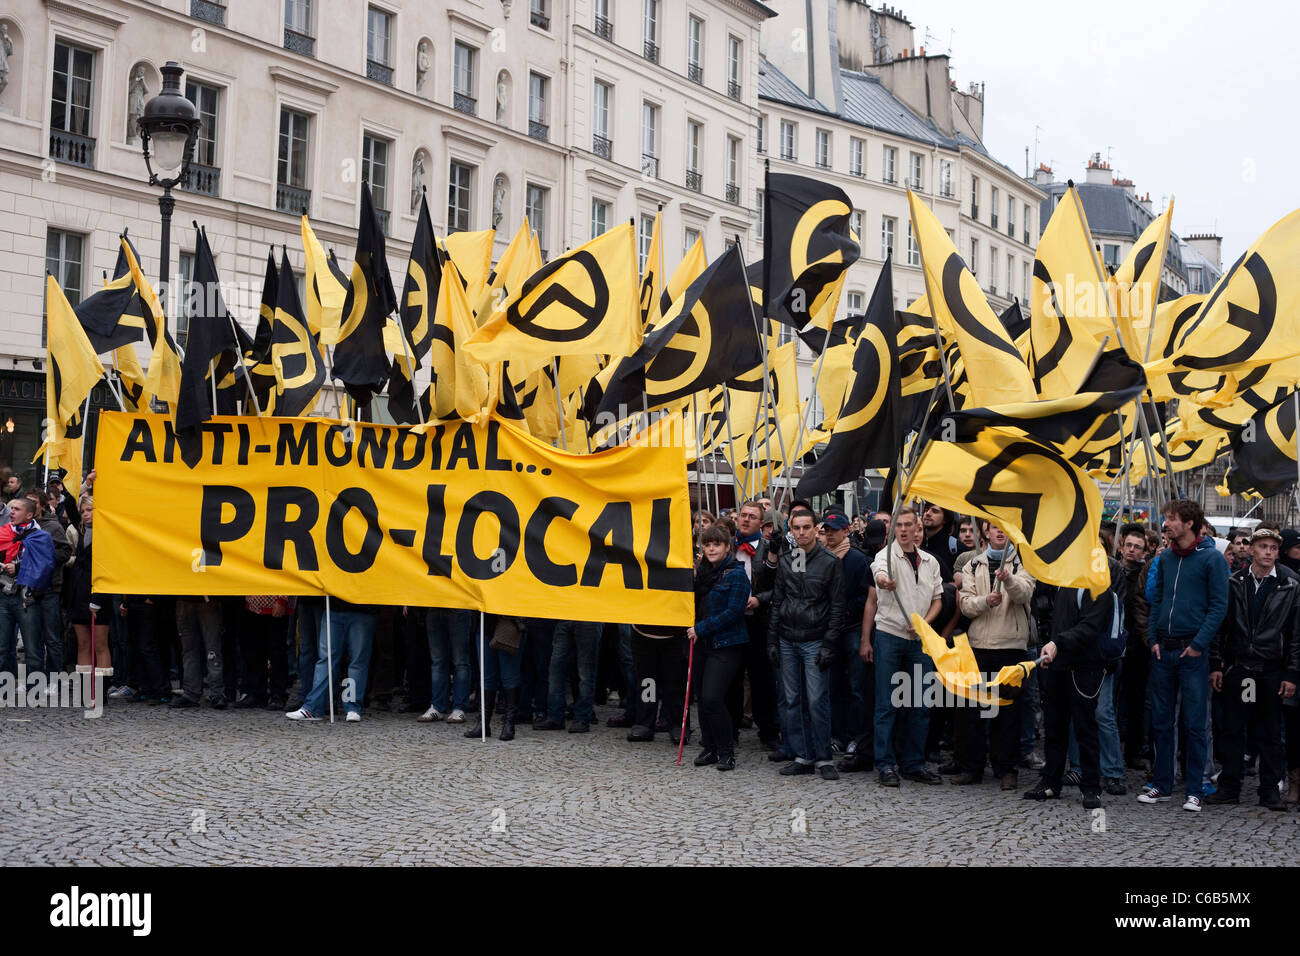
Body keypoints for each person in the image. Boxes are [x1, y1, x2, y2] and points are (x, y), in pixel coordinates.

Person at [1140, 499, 1229, 812]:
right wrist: (1152, 639)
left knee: (1193, 724)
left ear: (1189, 523)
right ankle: (1161, 785)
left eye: (1172, 519)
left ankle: (1195, 789)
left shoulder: (1212, 560)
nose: (1167, 525)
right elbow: (1158, 599)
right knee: (1161, 723)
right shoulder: (1164, 559)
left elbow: (1219, 606)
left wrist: (1199, 644)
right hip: (1163, 650)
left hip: (1192, 652)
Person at [1205, 528, 1299, 810]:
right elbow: (1222, 625)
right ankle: (1230, 786)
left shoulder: (1290, 585)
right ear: (1253, 550)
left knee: (1269, 732)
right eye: (1263, 546)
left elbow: (1295, 634)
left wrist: (1292, 673)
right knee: (1234, 729)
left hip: (1271, 669)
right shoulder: (1235, 582)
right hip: (1241, 667)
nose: (1268, 552)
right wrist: (1217, 664)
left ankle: (1269, 789)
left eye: (1273, 547)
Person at [1025, 562, 1115, 809]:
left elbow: (1090, 627)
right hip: (1058, 664)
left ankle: (1091, 787)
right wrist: (1050, 646)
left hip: (1085, 666)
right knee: (1054, 727)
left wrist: (1058, 643)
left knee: (1085, 729)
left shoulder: (1099, 584)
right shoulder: (1066, 578)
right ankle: (1050, 782)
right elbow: (1059, 621)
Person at [954, 521, 1035, 789]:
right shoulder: (972, 564)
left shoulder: (1023, 563)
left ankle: (1007, 768)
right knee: (972, 712)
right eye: (994, 527)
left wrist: (1009, 579)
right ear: (986, 533)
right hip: (979, 645)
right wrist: (984, 602)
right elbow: (965, 604)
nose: (1000, 532)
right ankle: (972, 767)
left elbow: (1025, 593)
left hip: (1011, 646)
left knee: (1008, 713)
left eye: (1005, 528)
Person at [868, 507, 944, 787]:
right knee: (886, 703)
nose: (901, 529)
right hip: (889, 634)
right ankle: (885, 764)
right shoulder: (884, 555)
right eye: (897, 525)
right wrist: (884, 581)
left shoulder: (930, 562)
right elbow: (879, 572)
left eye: (907, 525)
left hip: (919, 640)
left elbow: (938, 600)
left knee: (920, 703)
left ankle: (913, 763)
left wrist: (925, 623)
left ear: (916, 528)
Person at [765, 510, 843, 780]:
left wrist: (829, 644)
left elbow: (837, 607)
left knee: (817, 701)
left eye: (806, 527)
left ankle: (823, 757)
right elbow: (778, 601)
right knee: (791, 700)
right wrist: (772, 640)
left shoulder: (830, 562)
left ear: (815, 528)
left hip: (814, 639)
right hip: (787, 638)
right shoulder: (788, 560)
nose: (801, 532)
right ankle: (802, 755)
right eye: (796, 528)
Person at [689, 526, 751, 770]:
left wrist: (701, 629)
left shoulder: (736, 574)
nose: (711, 548)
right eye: (707, 544)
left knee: (714, 698)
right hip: (702, 644)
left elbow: (734, 613)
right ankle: (710, 748)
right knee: (702, 700)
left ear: (727, 547)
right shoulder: (702, 573)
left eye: (716, 544)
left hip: (726, 644)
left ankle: (727, 750)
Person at [732, 500, 780, 749]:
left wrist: (758, 600)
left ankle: (768, 731)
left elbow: (778, 587)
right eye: (743, 515)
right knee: (732, 677)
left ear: (761, 524)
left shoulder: (770, 549)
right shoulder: (728, 546)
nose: (746, 519)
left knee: (761, 679)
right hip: (731, 622)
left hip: (759, 622)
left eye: (752, 516)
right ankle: (730, 730)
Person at [821, 508, 869, 752]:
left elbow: (867, 596)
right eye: (826, 530)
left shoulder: (858, 560)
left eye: (834, 530)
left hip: (851, 629)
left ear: (846, 530)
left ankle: (855, 736)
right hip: (828, 630)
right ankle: (836, 735)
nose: (829, 535)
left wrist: (846, 610)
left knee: (855, 687)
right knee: (833, 685)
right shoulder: (819, 557)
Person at [287, 598, 379, 722]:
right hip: (337, 608)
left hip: (361, 608)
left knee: (354, 661)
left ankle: (351, 707)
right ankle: (314, 707)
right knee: (329, 660)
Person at [0, 496, 54, 686]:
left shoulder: (41, 536)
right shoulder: (3, 533)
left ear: (29, 514)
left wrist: (19, 568)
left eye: (17, 509)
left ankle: (35, 690)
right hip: (4, 596)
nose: (12, 512)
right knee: (3, 647)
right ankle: (4, 688)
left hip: (27, 599)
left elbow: (46, 566)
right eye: (11, 508)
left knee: (32, 649)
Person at [23, 490, 72, 689]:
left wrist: (45, 558)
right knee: (31, 638)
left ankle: (54, 678)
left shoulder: (52, 527)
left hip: (49, 587)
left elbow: (65, 551)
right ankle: (35, 679)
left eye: (33, 502)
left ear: (42, 506)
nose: (29, 505)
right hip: (26, 589)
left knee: (52, 637)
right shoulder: (20, 528)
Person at [63, 495, 111, 684]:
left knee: (100, 644)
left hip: (98, 594)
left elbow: (106, 569)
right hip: (77, 594)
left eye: (89, 510)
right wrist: (83, 487)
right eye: (83, 511)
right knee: (83, 644)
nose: (85, 514)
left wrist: (97, 599)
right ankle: (85, 687)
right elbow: (69, 503)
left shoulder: (107, 533)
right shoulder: (82, 530)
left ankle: (101, 689)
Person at [1117, 523, 1151, 772]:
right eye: (1129, 545)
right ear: (1121, 546)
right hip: (1113, 644)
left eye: (1137, 547)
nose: (1132, 550)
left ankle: (1133, 751)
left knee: (1136, 702)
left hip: (1137, 646)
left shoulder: (1146, 574)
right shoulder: (1110, 570)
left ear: (1144, 552)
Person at [538, 619, 602, 733]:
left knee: (585, 673)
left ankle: (580, 718)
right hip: (568, 616)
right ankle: (556, 717)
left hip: (587, 617)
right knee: (557, 669)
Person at [171, 596, 227, 709]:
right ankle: (195, 693)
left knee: (211, 650)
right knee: (192, 650)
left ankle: (215, 693)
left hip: (206, 598)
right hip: (188, 598)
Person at [422, 606, 475, 723]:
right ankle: (437, 706)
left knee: (459, 661)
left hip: (458, 606)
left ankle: (458, 707)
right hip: (434, 606)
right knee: (439, 661)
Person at [920, 503, 958, 582]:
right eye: (926, 510)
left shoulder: (956, 547)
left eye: (935, 511)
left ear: (945, 519)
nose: (928, 513)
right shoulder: (915, 543)